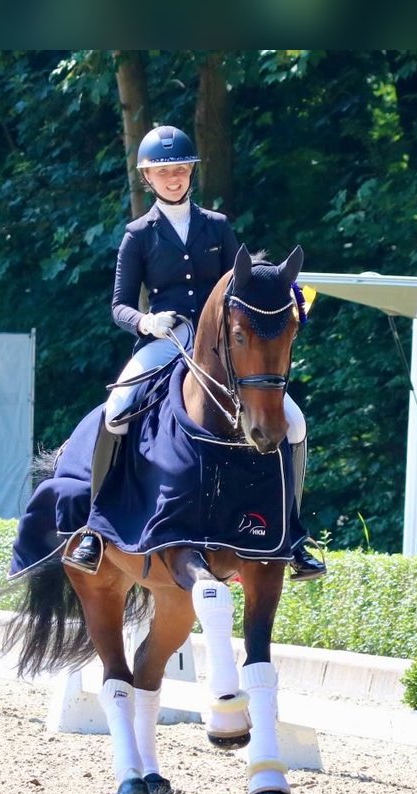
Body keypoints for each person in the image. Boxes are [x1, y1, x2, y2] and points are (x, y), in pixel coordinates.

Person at [63, 124, 326, 582]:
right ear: (148, 177)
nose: (174, 178)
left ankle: (295, 534)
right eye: (164, 172)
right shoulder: (138, 234)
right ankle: (95, 526)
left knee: (295, 422)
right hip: (164, 341)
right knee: (118, 408)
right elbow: (119, 304)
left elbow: (236, 287)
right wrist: (146, 322)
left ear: (190, 174)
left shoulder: (217, 226)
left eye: (181, 169)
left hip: (220, 349)